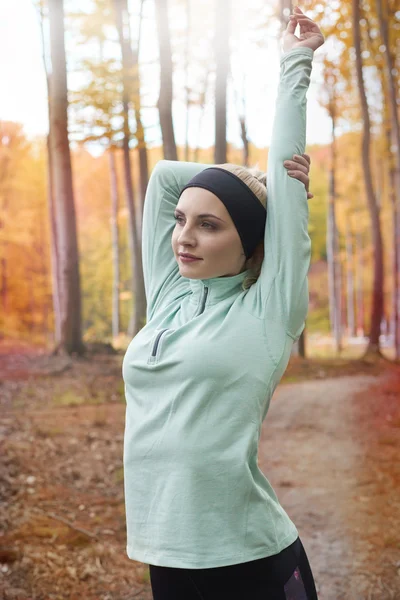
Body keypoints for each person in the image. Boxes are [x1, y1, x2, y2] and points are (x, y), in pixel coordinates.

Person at [122, 6, 324, 599]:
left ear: (252, 240)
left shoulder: (267, 312)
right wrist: (246, 181)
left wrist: (296, 63)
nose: (183, 236)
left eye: (209, 225)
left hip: (250, 558)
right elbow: (163, 177)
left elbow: (278, 209)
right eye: (182, 221)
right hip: (167, 555)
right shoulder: (169, 295)